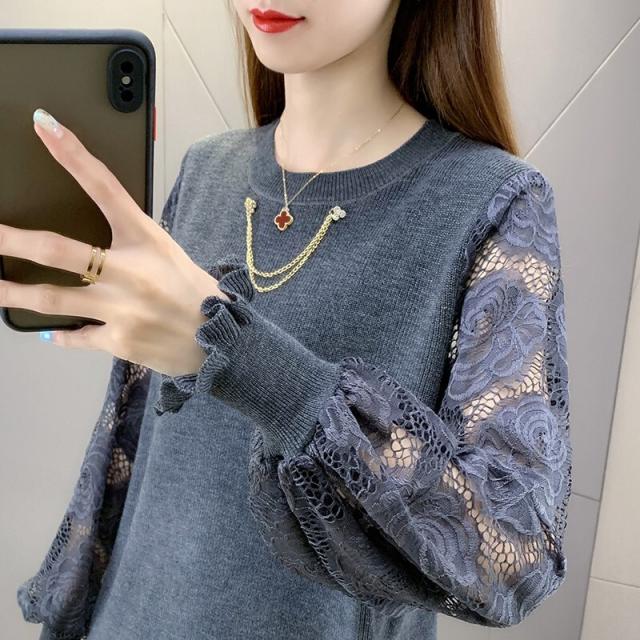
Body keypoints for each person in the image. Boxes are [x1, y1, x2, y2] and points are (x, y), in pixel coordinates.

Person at [17, 1, 573, 639]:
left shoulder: (493, 202)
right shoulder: (206, 169)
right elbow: (125, 469)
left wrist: (242, 360)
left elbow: (514, 555)